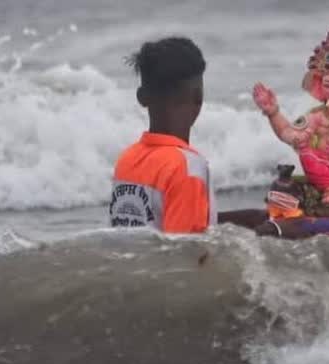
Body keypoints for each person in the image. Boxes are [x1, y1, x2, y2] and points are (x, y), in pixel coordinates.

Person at [108, 36, 302, 237]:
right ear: (199, 97)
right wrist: (276, 231)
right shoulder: (188, 168)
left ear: (142, 97)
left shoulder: (126, 160)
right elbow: (187, 255)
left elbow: (154, 226)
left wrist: (248, 218)